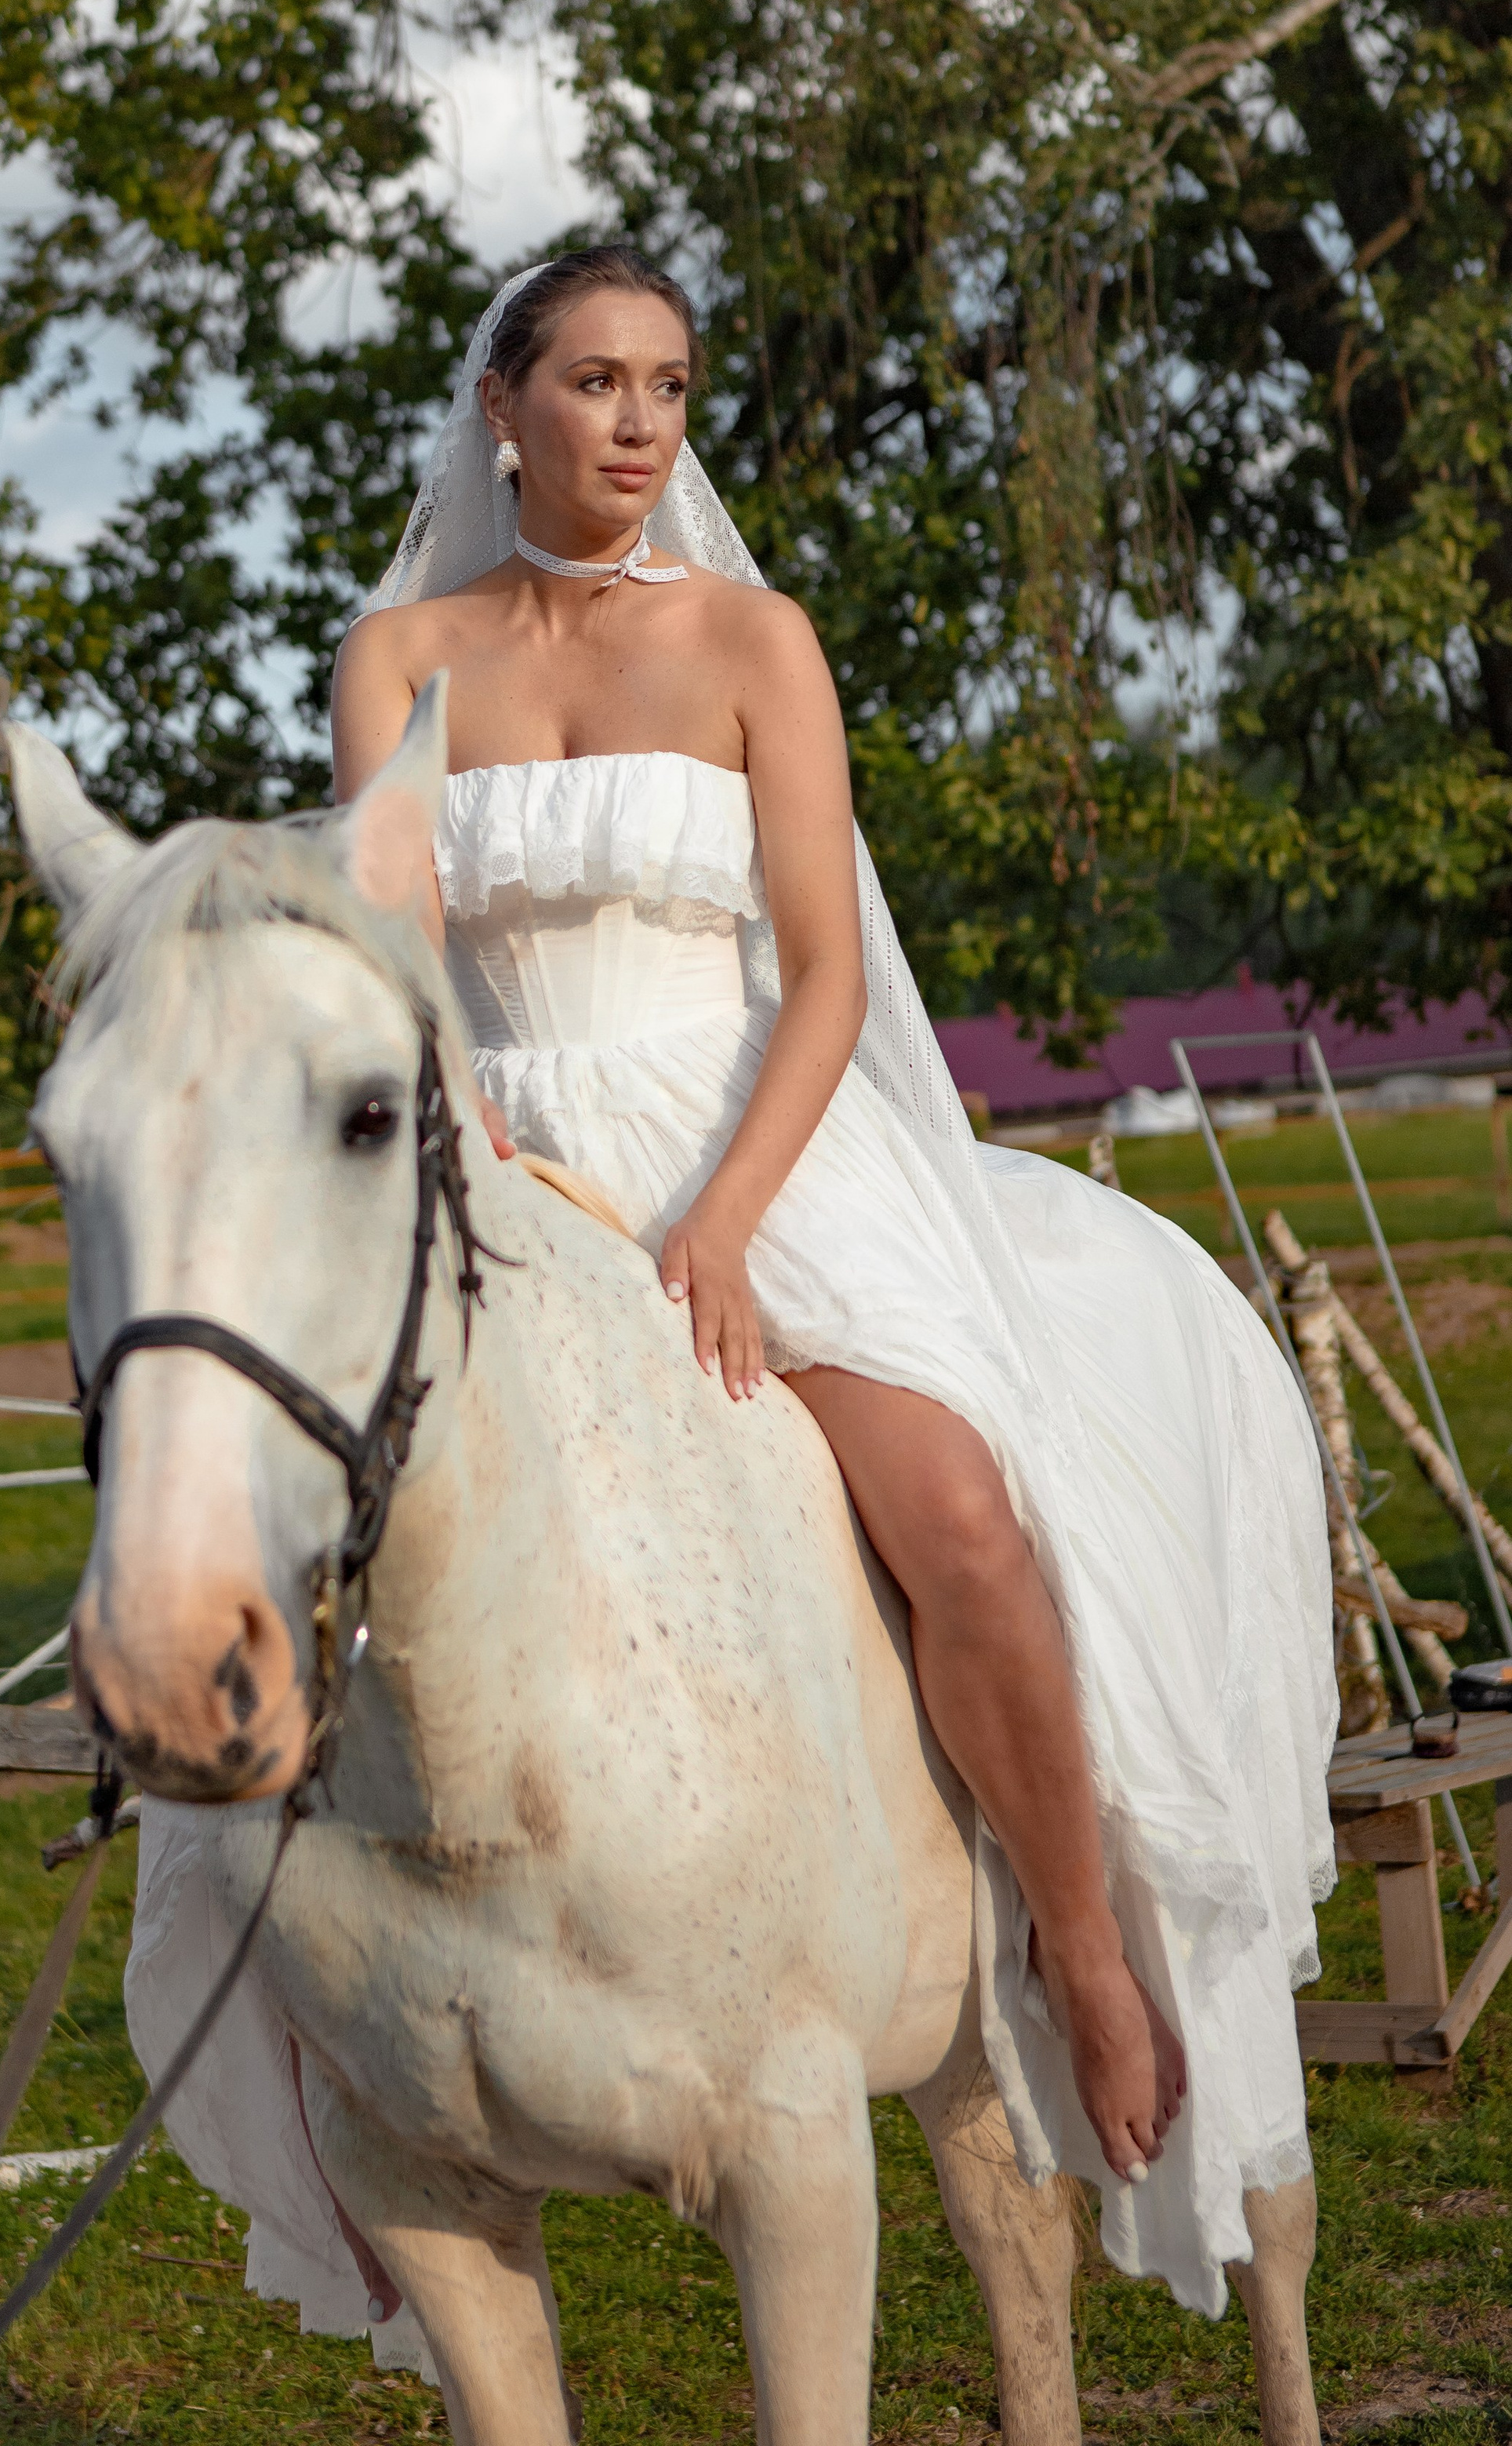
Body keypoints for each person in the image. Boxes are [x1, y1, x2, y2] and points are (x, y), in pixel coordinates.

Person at [317, 246, 1336, 2311]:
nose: (634, 422)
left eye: (669, 387)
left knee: (960, 1514)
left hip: (743, 1133)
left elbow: (830, 970)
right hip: (504, 1157)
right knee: (305, 1525)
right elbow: (390, 950)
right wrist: (480, 1149)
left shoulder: (756, 642)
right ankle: (348, 2013)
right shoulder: (396, 656)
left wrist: (720, 1215)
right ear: (501, 405)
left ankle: (1081, 1944)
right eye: (592, 380)